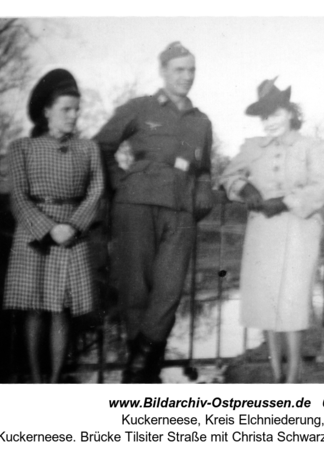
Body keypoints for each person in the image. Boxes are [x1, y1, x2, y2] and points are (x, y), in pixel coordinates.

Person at [94, 42, 214, 383]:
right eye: (179, 69)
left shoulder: (201, 121)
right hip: (137, 203)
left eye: (191, 70)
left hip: (180, 209)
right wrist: (120, 183)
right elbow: (101, 145)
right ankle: (145, 376)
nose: (187, 77)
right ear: (163, 71)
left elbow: (203, 167)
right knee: (135, 289)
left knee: (169, 291)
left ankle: (138, 365)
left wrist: (204, 186)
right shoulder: (140, 107)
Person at [220, 78, 324, 383]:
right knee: (267, 299)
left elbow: (321, 187)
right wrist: (244, 188)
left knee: (292, 300)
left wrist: (285, 202)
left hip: (299, 230)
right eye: (264, 116)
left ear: (290, 113)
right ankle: (275, 371)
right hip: (263, 234)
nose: (269, 121)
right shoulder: (253, 147)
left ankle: (293, 373)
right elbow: (227, 176)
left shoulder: (311, 146)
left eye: (275, 114)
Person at [3, 69, 104, 383]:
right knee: (34, 308)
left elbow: (96, 191)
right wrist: (48, 228)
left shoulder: (88, 149)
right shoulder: (21, 148)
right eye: (66, 109)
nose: (73, 116)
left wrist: (72, 226)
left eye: (77, 110)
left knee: (61, 308)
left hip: (71, 236)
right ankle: (35, 379)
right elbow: (18, 196)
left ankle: (56, 378)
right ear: (46, 111)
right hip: (35, 237)